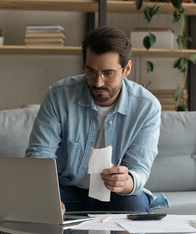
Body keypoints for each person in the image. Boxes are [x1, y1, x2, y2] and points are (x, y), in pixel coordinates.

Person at [26, 26, 168, 214]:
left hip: (115, 195)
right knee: (37, 204)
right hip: (66, 190)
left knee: (134, 204)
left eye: (108, 73)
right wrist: (46, 196)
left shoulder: (147, 107)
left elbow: (139, 169)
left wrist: (126, 182)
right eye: (91, 71)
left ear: (127, 69)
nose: (98, 82)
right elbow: (40, 155)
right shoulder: (58, 95)